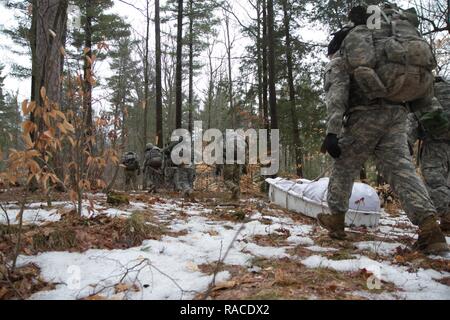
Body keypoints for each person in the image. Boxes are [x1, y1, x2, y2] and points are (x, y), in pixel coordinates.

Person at [321, 3, 448, 254]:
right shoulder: (386, 42)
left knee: (344, 164)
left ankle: (336, 221)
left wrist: (332, 132)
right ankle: (430, 229)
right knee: (402, 171)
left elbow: (337, 94)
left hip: (366, 115)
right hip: (397, 114)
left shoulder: (345, 54)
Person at [407, 77, 450, 234]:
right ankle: (446, 222)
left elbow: (413, 119)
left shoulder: (425, 93)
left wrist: (406, 141)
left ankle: (447, 217)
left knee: (435, 183)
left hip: (435, 144)